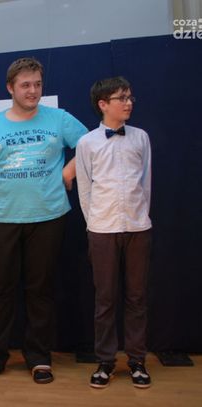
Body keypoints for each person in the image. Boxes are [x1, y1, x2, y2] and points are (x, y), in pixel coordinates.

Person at [0, 57, 87, 383]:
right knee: (0, 290)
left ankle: (38, 358)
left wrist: (68, 171)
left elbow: (91, 146)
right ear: (10, 88)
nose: (32, 91)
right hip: (2, 217)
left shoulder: (58, 118)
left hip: (49, 216)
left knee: (40, 290)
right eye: (25, 85)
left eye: (37, 84)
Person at [76, 77, 152, 389]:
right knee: (105, 299)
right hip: (102, 229)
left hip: (137, 227)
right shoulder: (87, 143)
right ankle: (105, 361)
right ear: (103, 104)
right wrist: (95, 223)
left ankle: (137, 360)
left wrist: (140, 216)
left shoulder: (141, 138)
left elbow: (145, 182)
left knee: (136, 297)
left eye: (130, 97)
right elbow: (84, 188)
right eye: (122, 98)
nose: (129, 102)